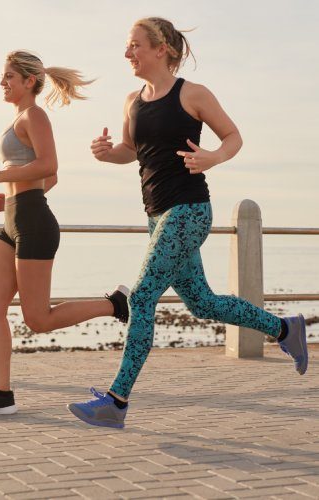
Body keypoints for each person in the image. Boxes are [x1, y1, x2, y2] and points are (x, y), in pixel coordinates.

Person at [67, 17, 308, 429]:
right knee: (202, 302)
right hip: (157, 214)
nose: (128, 53)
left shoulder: (192, 94)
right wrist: (108, 153)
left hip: (189, 211)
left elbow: (233, 136)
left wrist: (213, 157)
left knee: (141, 297)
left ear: (161, 49)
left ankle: (116, 402)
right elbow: (131, 148)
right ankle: (285, 330)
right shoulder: (133, 100)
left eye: (134, 45)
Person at [0, 50, 129, 417]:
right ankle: (1, 394)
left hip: (34, 222)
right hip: (15, 219)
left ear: (28, 81)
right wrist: (6, 201)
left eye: (8, 77)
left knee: (38, 319)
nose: (2, 83)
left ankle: (114, 303)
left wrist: (1, 176)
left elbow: (50, 166)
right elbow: (43, 178)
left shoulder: (34, 114)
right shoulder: (19, 118)